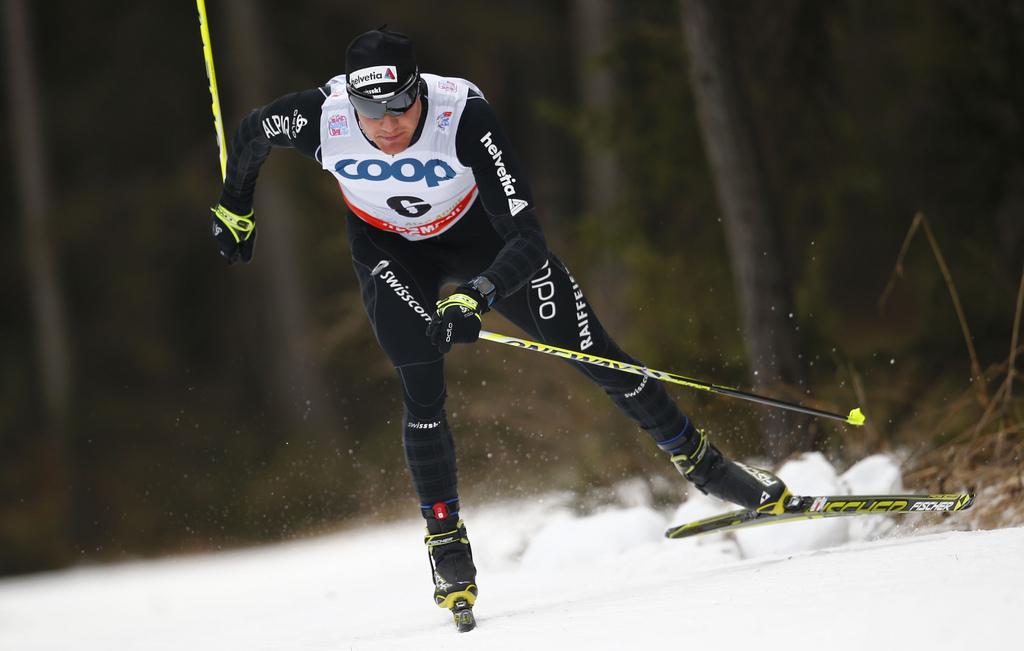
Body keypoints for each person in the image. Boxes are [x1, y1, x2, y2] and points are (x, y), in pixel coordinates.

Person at [209, 27, 790, 630]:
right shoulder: (319, 117)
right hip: (388, 251)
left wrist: (476, 296)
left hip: (482, 243)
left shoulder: (464, 118)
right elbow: (251, 134)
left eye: (399, 105)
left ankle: (707, 469)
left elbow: (527, 239)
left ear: (419, 91)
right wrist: (235, 209)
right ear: (350, 100)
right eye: (369, 110)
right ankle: (446, 544)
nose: (385, 125)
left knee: (596, 354)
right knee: (422, 387)